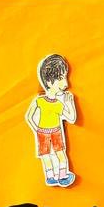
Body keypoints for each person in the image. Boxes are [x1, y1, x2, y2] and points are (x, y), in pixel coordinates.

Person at [24, 53, 77, 187]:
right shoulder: (41, 101)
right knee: (50, 155)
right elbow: (29, 117)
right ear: (49, 81)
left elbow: (72, 118)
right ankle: (54, 177)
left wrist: (69, 102)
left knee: (55, 155)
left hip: (52, 132)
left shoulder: (57, 104)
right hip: (49, 132)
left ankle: (58, 176)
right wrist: (37, 130)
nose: (66, 84)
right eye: (61, 78)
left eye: (65, 78)